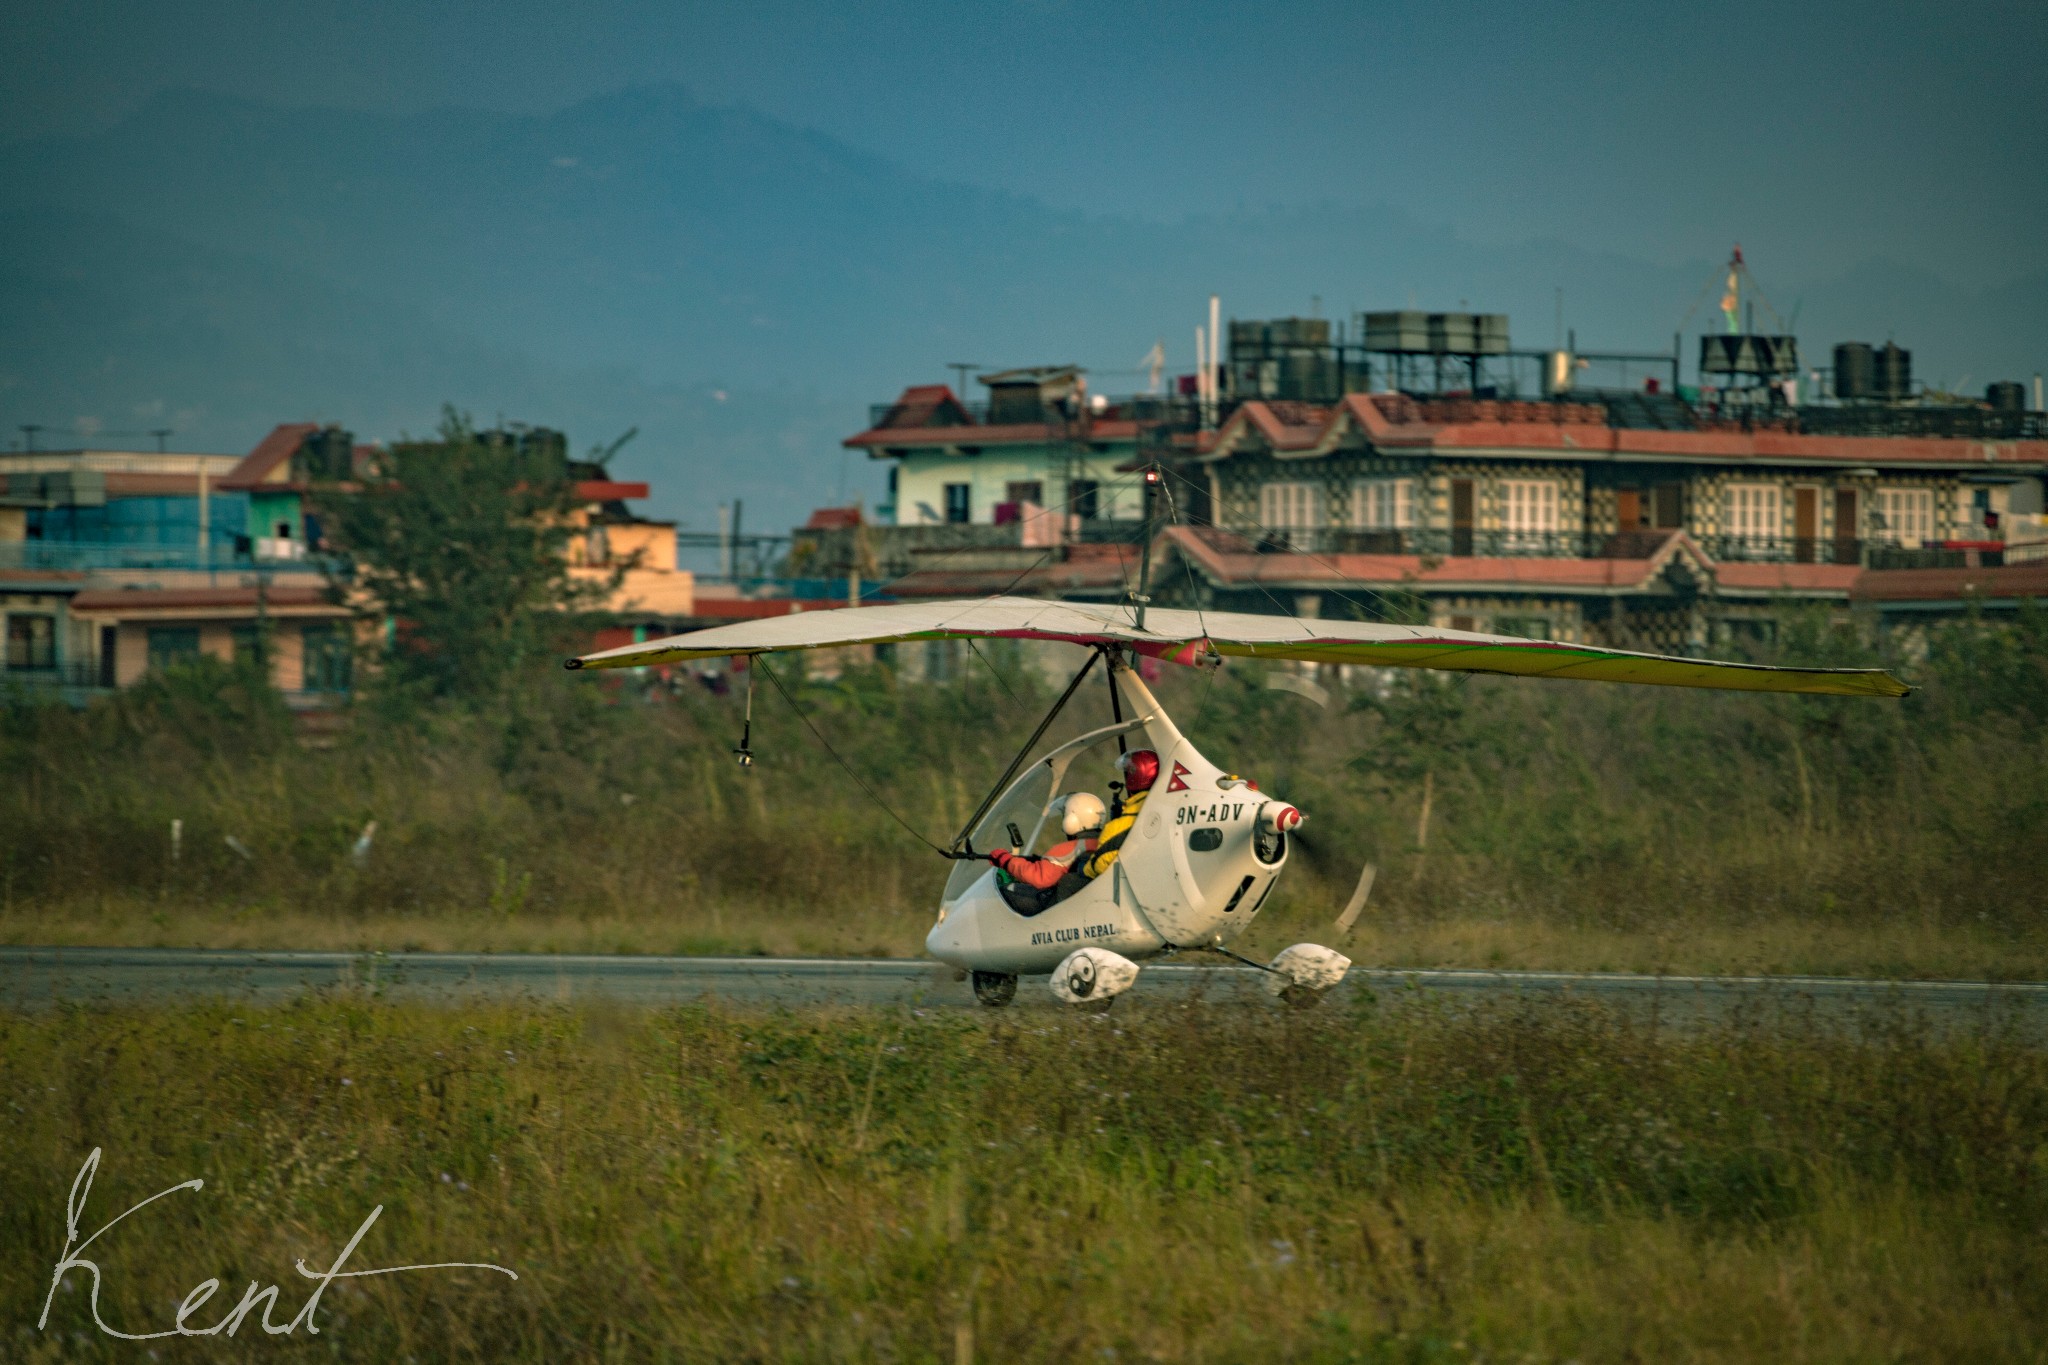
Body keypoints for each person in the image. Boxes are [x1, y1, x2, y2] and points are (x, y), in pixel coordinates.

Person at [989, 792, 1105, 916]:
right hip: (1079, 904)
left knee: (1003, 893)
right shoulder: (1103, 844)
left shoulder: (1068, 849)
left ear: (1071, 819)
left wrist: (1006, 861)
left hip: (1052, 908)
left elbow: (1040, 878)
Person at [1081, 749, 1159, 882]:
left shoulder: (1118, 826)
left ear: (1137, 776)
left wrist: (1084, 868)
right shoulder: (1156, 808)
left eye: (1129, 772)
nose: (1127, 776)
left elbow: (1098, 864)